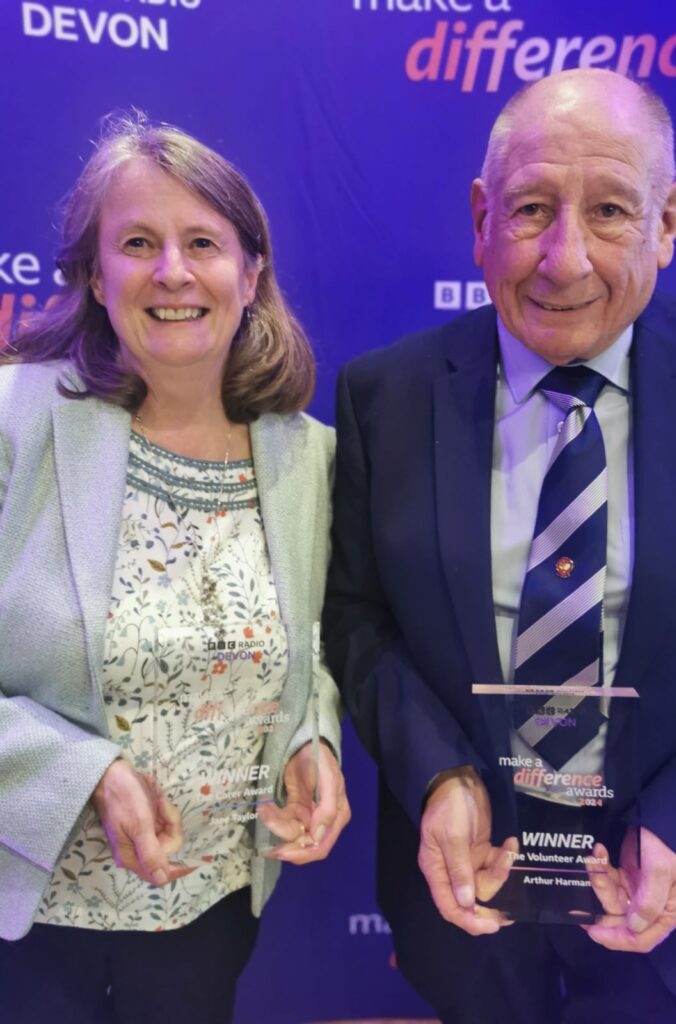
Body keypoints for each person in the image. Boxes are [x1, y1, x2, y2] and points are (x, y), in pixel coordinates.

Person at [324, 68, 676, 1024]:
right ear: (481, 215)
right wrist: (439, 774)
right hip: (470, 901)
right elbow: (359, 625)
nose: (564, 259)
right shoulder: (383, 399)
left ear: (669, 220)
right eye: (531, 209)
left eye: (610, 210)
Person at [0, 114, 350, 1024]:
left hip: (210, 899)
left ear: (252, 274)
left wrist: (313, 738)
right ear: (93, 273)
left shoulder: (306, 457)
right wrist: (82, 770)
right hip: (20, 896)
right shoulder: (12, 422)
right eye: (138, 243)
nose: (173, 272)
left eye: (204, 243)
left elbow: (310, 647)